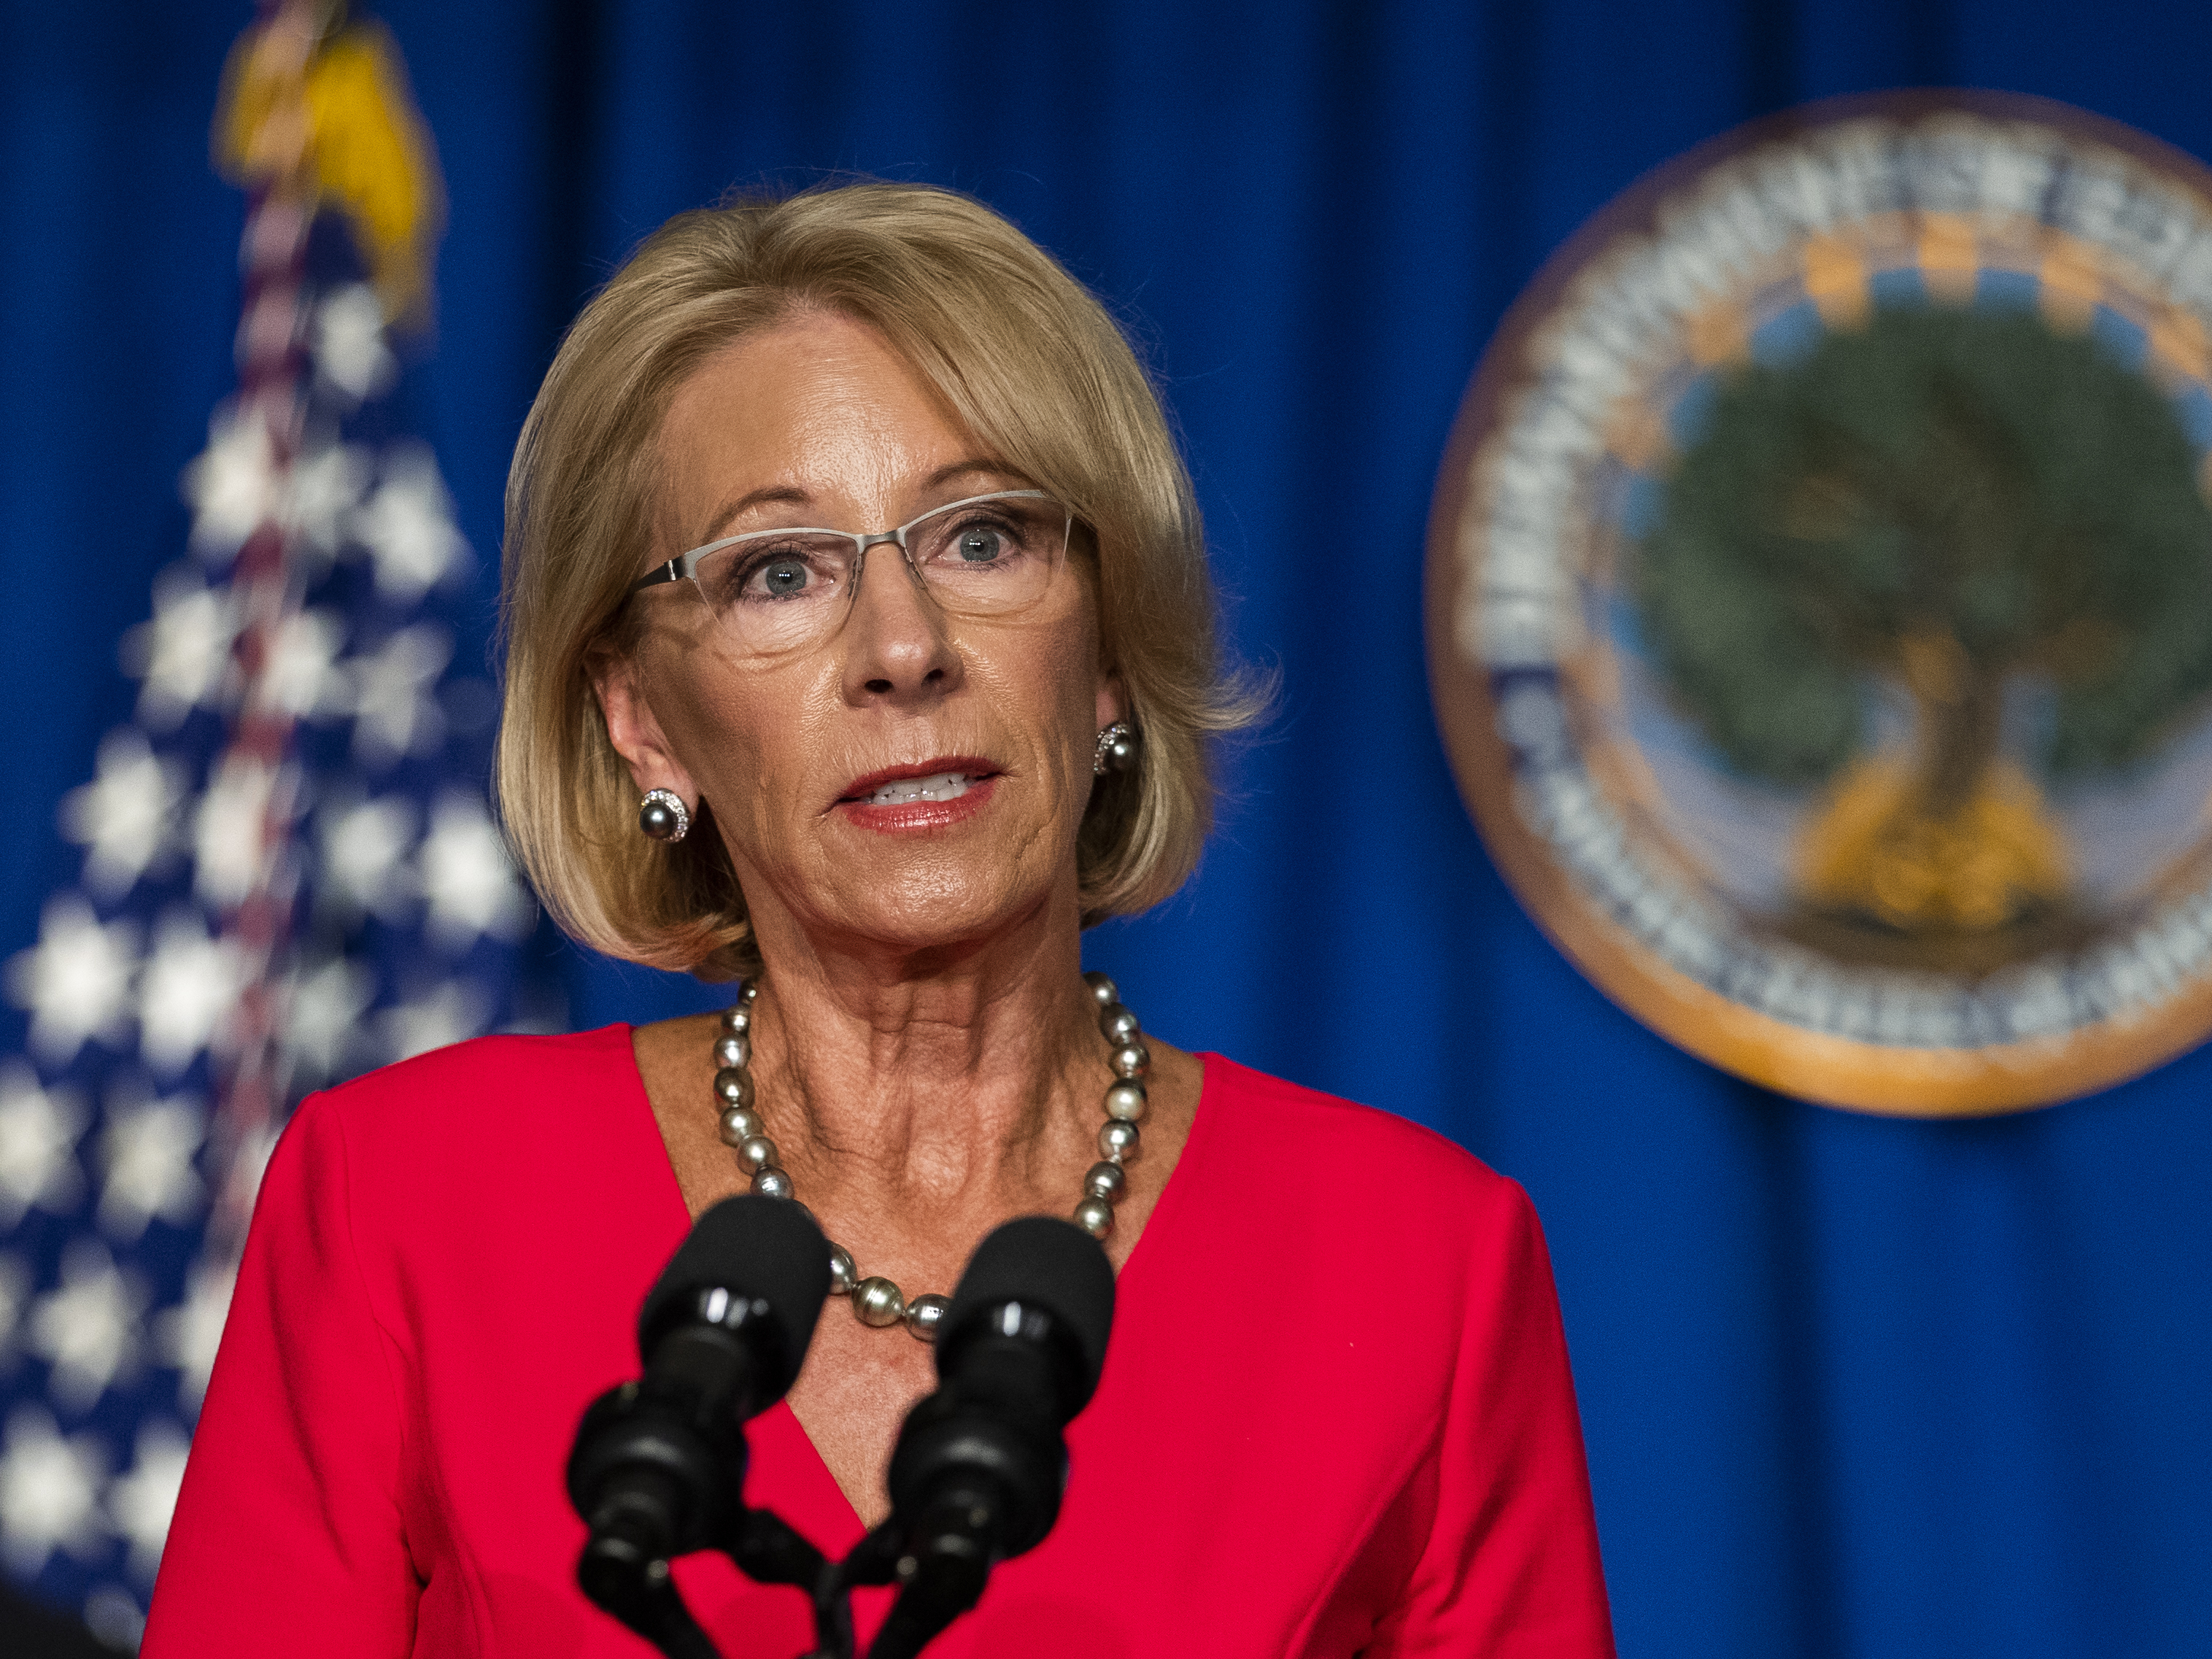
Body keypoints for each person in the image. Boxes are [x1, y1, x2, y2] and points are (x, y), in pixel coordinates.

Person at [146, 182, 1614, 1657]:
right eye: (776, 572)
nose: (903, 648)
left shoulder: (1420, 1268)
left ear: (1108, 652)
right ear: (642, 720)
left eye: (983, 538)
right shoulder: (403, 1204)